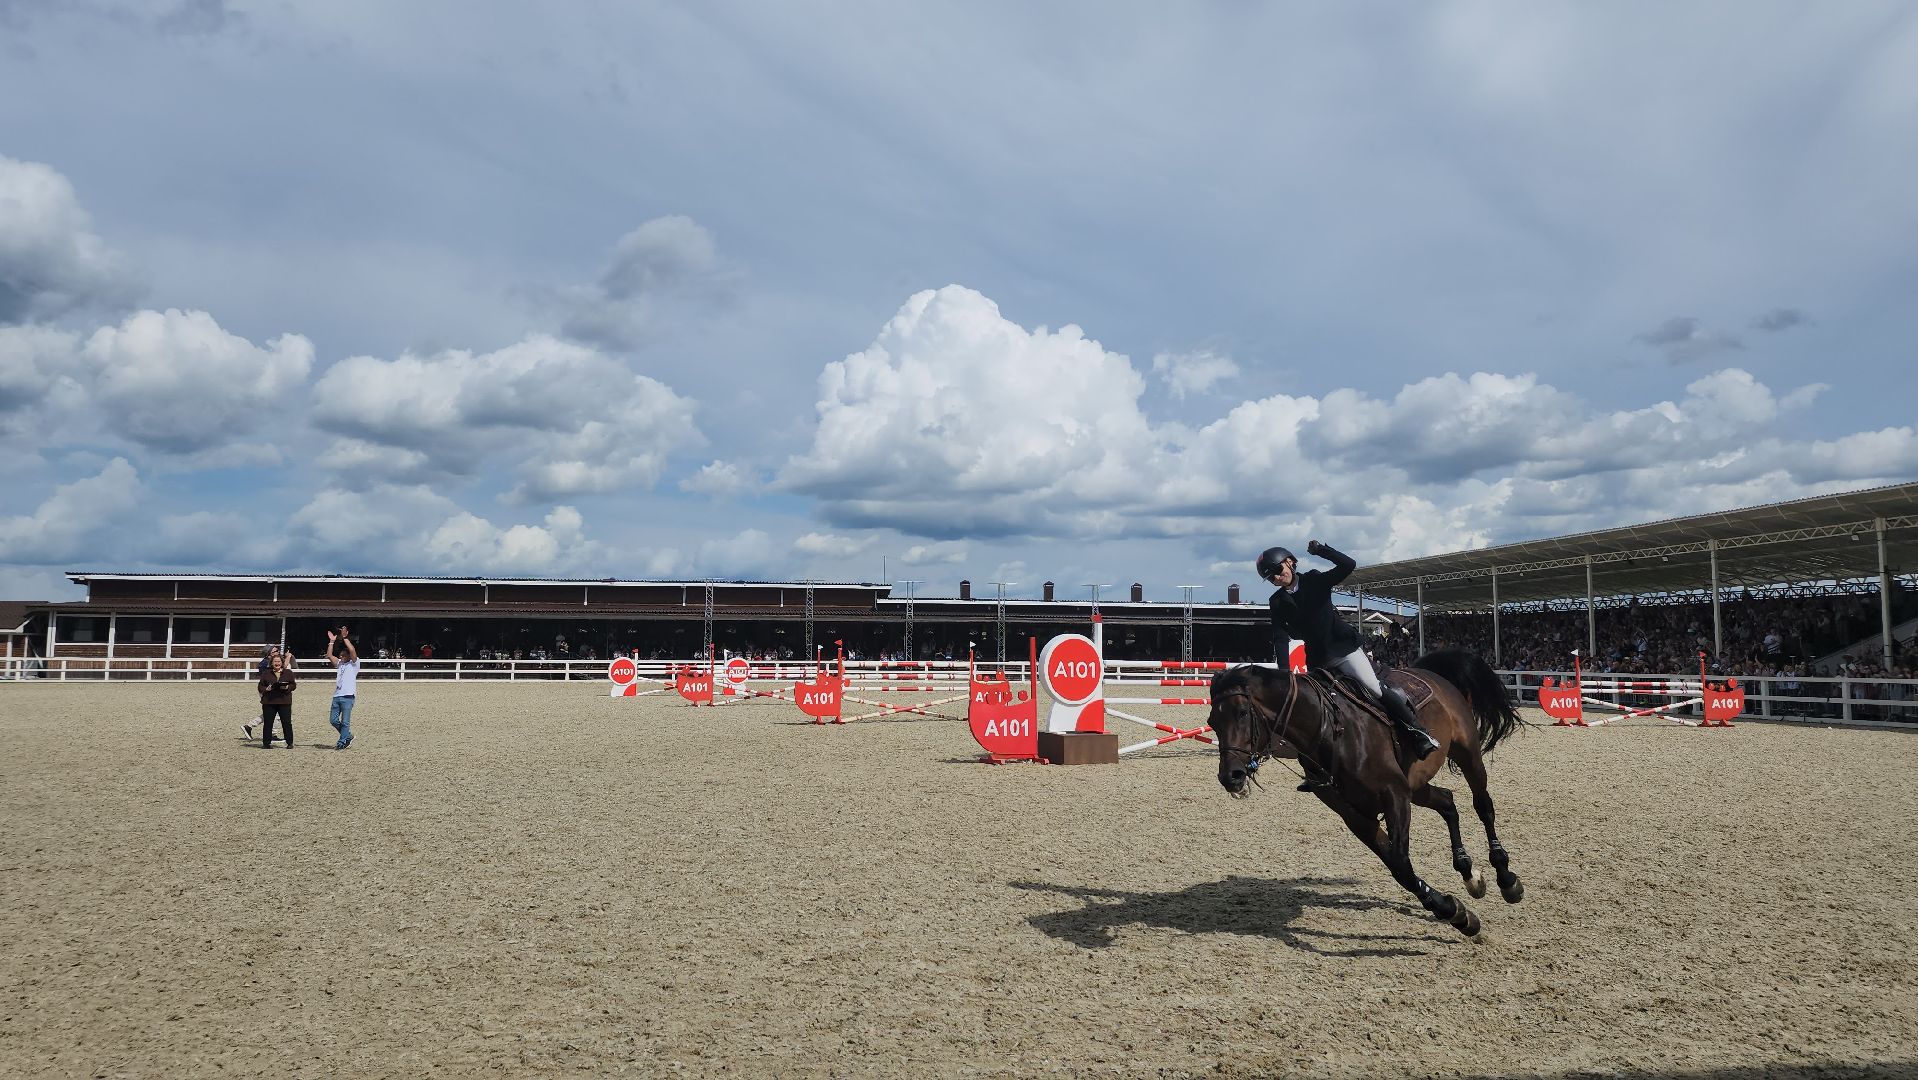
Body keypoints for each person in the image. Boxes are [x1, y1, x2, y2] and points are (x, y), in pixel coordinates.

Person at [1258, 539, 1440, 791]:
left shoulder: (1314, 579)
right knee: (1312, 710)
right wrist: (1284, 675)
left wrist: (1322, 550)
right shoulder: (1277, 602)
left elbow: (1348, 565)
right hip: (1318, 661)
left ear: (1290, 562)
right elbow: (1280, 638)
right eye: (1271, 578)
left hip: (1344, 651)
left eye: (1278, 571)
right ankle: (1317, 770)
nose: (1276, 578)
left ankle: (1418, 732)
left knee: (1373, 688)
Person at [326, 625, 361, 751]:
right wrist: (331, 642)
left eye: (342, 655)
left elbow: (352, 650)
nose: (340, 657)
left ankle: (341, 743)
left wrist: (345, 638)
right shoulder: (340, 664)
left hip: (348, 696)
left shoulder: (354, 664)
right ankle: (348, 736)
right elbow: (329, 655)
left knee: (345, 722)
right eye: (340, 655)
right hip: (337, 695)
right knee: (333, 720)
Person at [257, 649, 296, 749]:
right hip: (269, 701)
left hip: (284, 701)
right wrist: (266, 689)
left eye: (279, 662)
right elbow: (260, 687)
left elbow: (293, 685)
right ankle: (266, 743)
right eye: (275, 662)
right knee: (268, 723)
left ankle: (289, 742)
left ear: (282, 663)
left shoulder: (288, 673)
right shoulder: (266, 673)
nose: (277, 663)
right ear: (271, 663)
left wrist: (288, 687)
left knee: (286, 723)